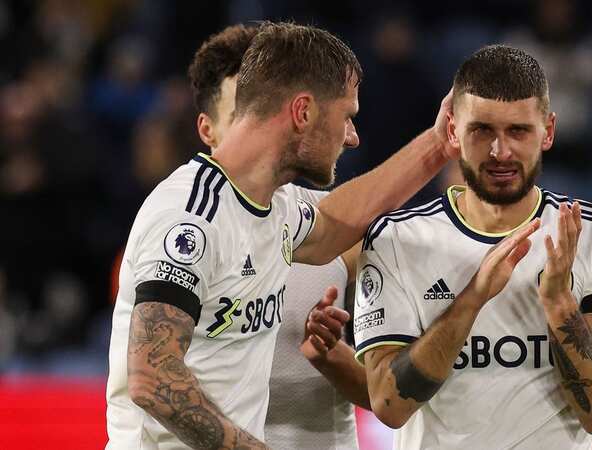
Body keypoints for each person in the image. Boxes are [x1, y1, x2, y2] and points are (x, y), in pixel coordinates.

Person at [106, 21, 455, 450]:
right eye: (346, 116)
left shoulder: (275, 207)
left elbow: (335, 224)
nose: (352, 136)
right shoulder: (191, 216)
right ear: (303, 112)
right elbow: (153, 377)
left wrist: (439, 145)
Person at [352, 45, 592, 449]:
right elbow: (389, 404)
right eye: (482, 130)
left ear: (549, 131)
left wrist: (559, 305)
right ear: (453, 131)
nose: (500, 152)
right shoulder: (397, 239)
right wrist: (473, 298)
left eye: (518, 131)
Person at [185, 24, 366, 450]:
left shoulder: (337, 228)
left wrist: (332, 356)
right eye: (242, 113)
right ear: (207, 130)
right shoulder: (182, 229)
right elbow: (149, 380)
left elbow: (392, 397)